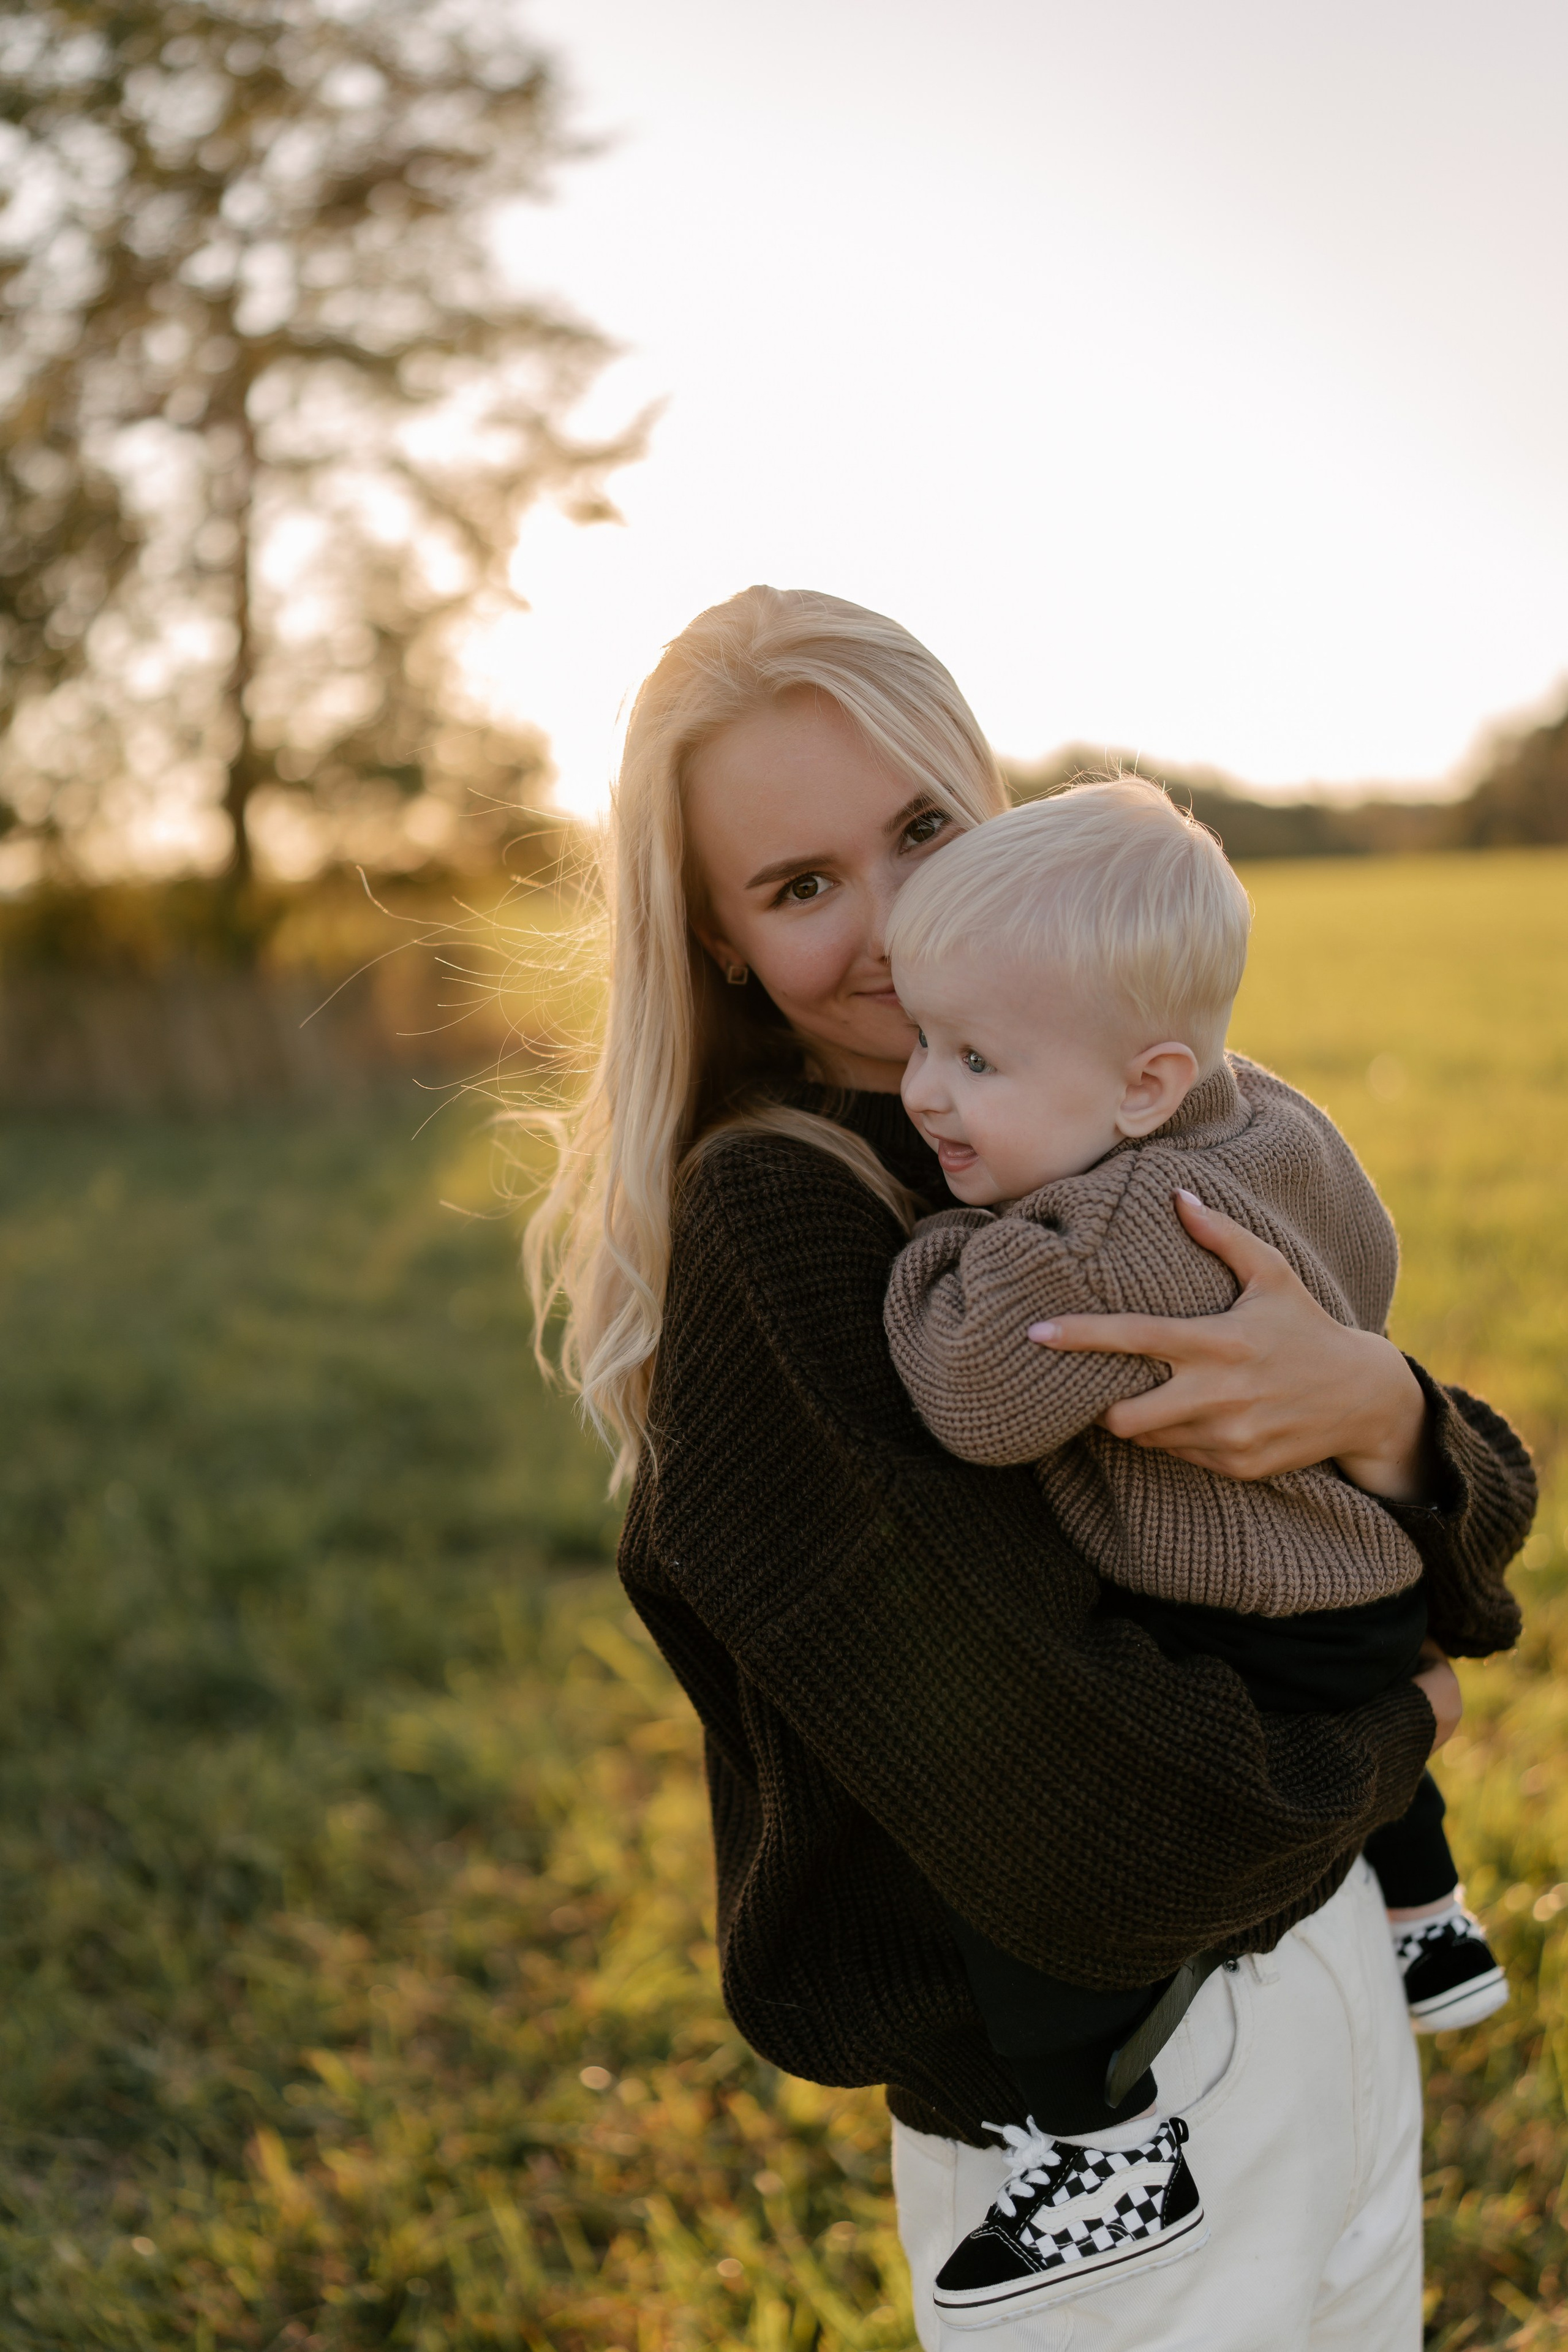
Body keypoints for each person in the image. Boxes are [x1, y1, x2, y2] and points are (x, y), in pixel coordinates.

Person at [524, 584, 1534, 2351]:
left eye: (922, 830)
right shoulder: (786, 1216)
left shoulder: (1107, 1103)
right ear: (717, 942)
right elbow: (1070, 1817)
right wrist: (1390, 1734)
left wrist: (1379, 1413)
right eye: (800, 885)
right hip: (1110, 2109)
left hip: (1327, 1976)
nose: (893, 928)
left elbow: (1469, 1518)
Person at [880, 778, 1510, 2326]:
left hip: (1244, 1617)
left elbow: (972, 1397)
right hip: (1356, 1581)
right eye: (922, 1041)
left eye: (974, 1060)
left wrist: (934, 1254)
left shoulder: (1099, 1232)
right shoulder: (1270, 1114)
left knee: (1040, 1885)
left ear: (1145, 1083)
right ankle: (1428, 1919)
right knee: (1364, 1731)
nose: (922, 1093)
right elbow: (1365, 1252)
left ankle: (1106, 2151)